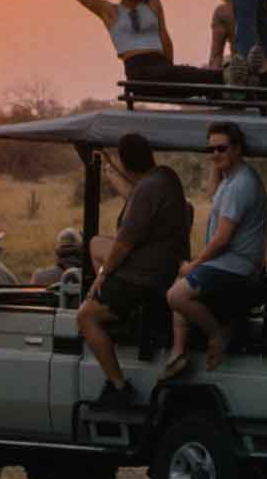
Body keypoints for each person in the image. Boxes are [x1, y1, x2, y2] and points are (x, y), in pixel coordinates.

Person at [74, 131, 189, 406]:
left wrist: (102, 277)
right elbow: (133, 192)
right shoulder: (164, 178)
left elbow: (123, 245)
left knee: (85, 316)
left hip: (144, 275)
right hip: (160, 266)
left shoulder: (148, 189)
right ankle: (117, 311)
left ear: (128, 164)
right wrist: (109, 164)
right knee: (95, 244)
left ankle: (118, 386)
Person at [160, 120, 267, 380]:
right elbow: (212, 193)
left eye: (221, 149)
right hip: (229, 263)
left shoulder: (241, 184)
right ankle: (178, 353)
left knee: (176, 296)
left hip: (236, 266)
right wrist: (217, 165)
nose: (214, 155)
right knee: (180, 279)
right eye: (210, 150)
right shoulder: (230, 180)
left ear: (237, 149)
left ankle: (217, 334)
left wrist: (194, 264)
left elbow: (222, 239)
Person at [9, 0, 192, 85]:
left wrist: (171, 68)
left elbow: (164, 36)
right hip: (139, 69)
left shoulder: (153, 2)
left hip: (162, 66)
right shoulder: (110, 11)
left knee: (196, 76)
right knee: (200, 76)